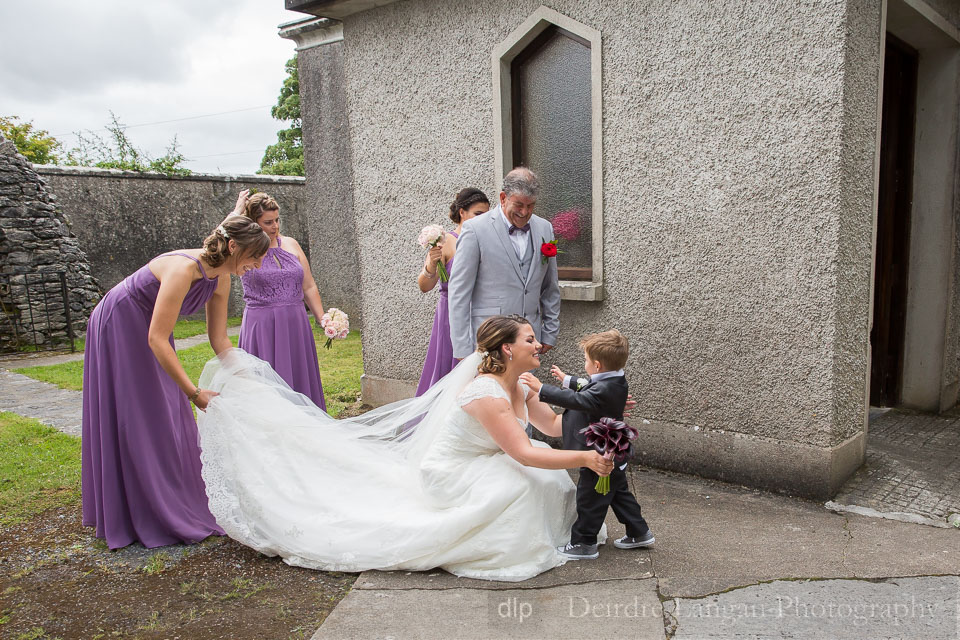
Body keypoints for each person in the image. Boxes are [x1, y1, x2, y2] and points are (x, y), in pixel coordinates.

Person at [194, 315, 613, 581]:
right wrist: (586, 458)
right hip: (450, 473)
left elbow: (555, 427)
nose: (537, 346)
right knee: (523, 483)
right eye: (529, 339)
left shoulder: (522, 383)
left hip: (488, 460)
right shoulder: (486, 392)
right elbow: (523, 452)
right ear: (507, 348)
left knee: (547, 478)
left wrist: (601, 410)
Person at [81, 216, 270, 549]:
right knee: (141, 411)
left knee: (170, 418)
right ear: (232, 247)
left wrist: (246, 373)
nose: (257, 265)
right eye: (254, 257)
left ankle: (175, 501)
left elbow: (219, 339)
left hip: (150, 329)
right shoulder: (183, 270)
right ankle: (140, 509)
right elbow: (158, 338)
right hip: (120, 322)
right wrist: (194, 393)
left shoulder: (222, 279)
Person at [521, 330, 653, 560]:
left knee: (589, 499)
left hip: (601, 453)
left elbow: (580, 399)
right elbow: (587, 385)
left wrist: (541, 388)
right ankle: (639, 532)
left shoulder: (603, 389)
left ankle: (584, 543)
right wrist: (566, 379)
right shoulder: (614, 379)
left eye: (586, 361)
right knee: (619, 494)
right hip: (614, 449)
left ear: (598, 365)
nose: (585, 365)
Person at [448, 168, 561, 361]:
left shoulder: (544, 228)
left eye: (530, 205)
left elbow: (550, 286)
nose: (524, 212)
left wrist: (550, 331)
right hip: (490, 341)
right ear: (503, 198)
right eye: (518, 205)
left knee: (525, 391)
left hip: (529, 342)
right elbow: (459, 292)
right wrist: (462, 348)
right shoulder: (475, 230)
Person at [235, 190, 327, 409]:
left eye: (277, 220)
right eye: (268, 222)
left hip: (295, 323)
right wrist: (237, 211)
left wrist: (322, 319)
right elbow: (215, 244)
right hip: (262, 326)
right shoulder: (240, 248)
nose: (275, 226)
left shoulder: (291, 244)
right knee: (266, 386)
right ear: (253, 223)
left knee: (297, 378)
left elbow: (309, 285)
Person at [415, 188, 490, 396]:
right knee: (451, 370)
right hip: (451, 314)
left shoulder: (487, 240)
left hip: (481, 314)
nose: (482, 219)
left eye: (486, 215)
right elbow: (424, 286)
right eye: (478, 214)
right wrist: (431, 263)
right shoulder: (447, 241)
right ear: (462, 212)